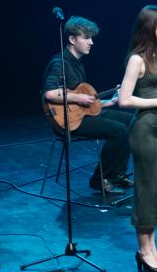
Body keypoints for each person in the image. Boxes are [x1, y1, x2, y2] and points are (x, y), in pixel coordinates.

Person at [42, 16, 135, 194]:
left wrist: (111, 101)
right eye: (86, 38)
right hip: (68, 121)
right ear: (72, 39)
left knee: (133, 121)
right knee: (119, 131)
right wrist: (78, 98)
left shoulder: (78, 64)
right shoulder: (59, 63)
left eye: (91, 38)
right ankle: (99, 179)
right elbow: (50, 93)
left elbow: (87, 104)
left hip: (82, 115)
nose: (91, 42)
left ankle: (117, 174)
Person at [118, 6, 157, 272]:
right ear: (150, 27)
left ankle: (151, 246)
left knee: (155, 190)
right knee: (145, 189)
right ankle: (143, 250)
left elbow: (155, 88)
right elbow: (124, 99)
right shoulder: (137, 59)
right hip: (144, 130)